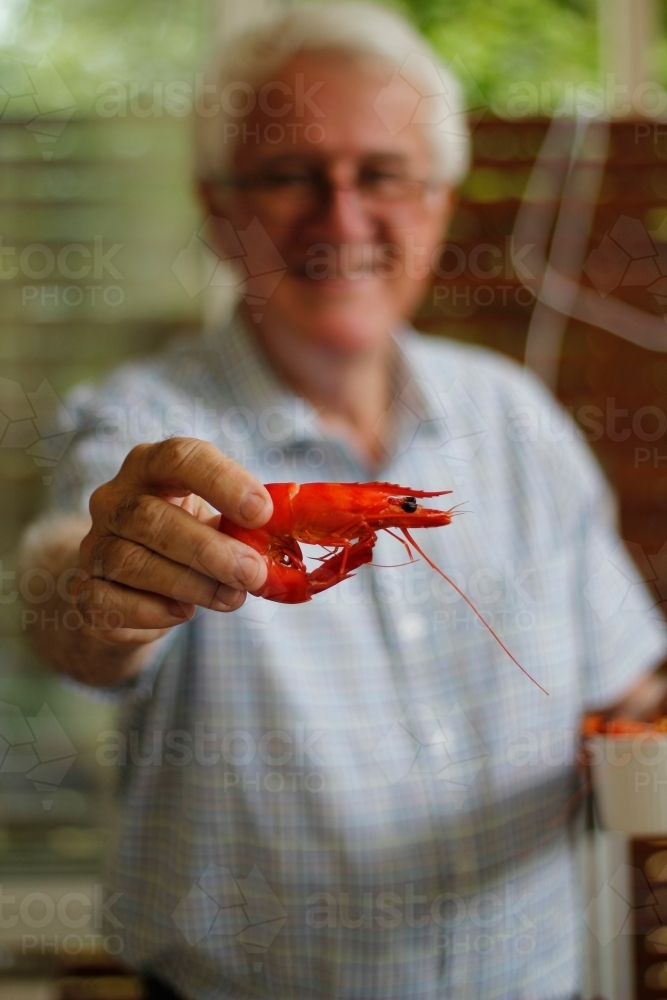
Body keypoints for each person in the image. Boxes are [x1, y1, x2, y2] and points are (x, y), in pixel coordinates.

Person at [20, 4, 667, 998]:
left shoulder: (515, 413)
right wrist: (95, 590)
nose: (342, 215)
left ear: (438, 205)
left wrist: (644, 736)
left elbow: (623, 693)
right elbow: (66, 589)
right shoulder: (135, 420)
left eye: (383, 174)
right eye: (289, 174)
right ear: (217, 208)